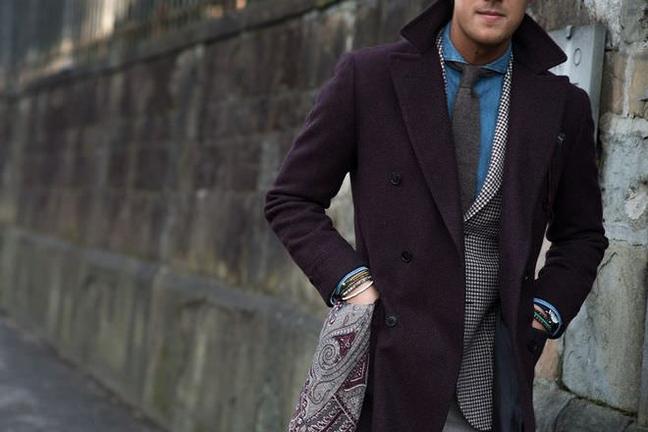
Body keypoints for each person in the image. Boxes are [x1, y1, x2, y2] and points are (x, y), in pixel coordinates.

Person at [264, 0, 609, 431]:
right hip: (386, 365)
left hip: (488, 382)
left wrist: (538, 315)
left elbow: (582, 236)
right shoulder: (369, 77)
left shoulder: (562, 105)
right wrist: (354, 286)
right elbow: (291, 199)